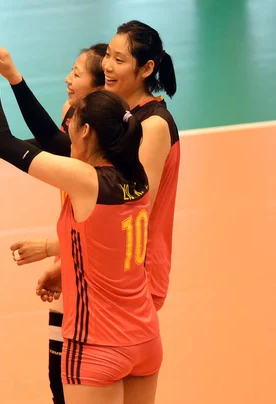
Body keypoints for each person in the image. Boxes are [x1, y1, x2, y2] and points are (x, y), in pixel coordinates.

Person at [0, 36, 161, 404]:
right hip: (145, 338)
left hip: (97, 343)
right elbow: (101, 244)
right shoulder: (137, 178)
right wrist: (67, 259)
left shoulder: (85, 181)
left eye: (74, 123)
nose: (66, 131)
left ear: (85, 132)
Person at [0, 35, 107, 404]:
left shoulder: (95, 157)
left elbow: (48, 143)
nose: (67, 78)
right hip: (73, 250)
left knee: (69, 383)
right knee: (58, 378)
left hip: (87, 259)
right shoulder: (78, 119)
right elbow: (54, 141)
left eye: (76, 73)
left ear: (99, 90)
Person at [103, 20, 179, 310]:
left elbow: (136, 207)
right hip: (111, 264)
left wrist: (58, 249)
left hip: (136, 272)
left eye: (119, 59)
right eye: (108, 55)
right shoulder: (119, 112)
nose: (107, 66)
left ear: (147, 68)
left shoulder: (153, 125)